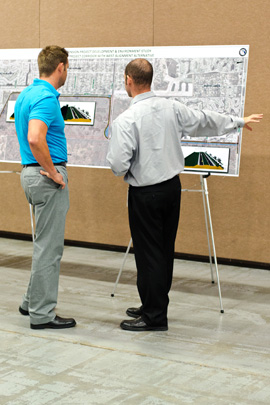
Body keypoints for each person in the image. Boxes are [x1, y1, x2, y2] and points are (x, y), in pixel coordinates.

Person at [106, 58, 263, 332]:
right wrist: (237, 121)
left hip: (145, 194)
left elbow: (118, 165)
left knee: (148, 254)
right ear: (150, 79)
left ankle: (154, 317)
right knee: (164, 251)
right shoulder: (171, 107)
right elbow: (203, 120)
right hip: (171, 189)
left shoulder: (126, 120)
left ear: (128, 80)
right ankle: (153, 304)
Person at [14, 45, 76, 330]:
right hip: (45, 178)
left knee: (43, 245)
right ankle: (42, 314)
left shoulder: (26, 94)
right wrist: (53, 172)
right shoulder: (46, 98)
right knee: (50, 250)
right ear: (61, 67)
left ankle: (30, 301)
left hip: (29, 174)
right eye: (68, 68)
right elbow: (36, 138)